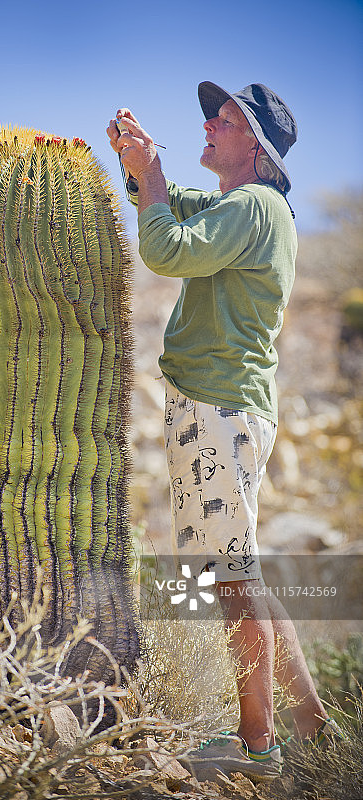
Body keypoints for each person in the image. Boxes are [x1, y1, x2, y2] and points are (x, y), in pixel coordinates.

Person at [106, 82, 342, 783]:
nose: (209, 124)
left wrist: (147, 178)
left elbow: (168, 250)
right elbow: (170, 207)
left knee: (229, 580)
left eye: (227, 120)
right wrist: (139, 166)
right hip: (224, 407)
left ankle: (256, 744)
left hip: (218, 409)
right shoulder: (245, 207)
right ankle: (310, 722)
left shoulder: (256, 205)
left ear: (257, 149)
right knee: (243, 574)